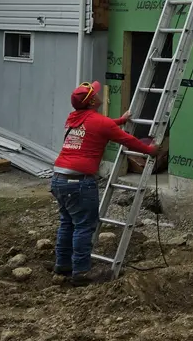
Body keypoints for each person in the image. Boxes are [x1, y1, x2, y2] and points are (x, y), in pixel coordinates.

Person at [51, 80, 159, 286]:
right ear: (92, 101)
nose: (98, 94)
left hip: (59, 179)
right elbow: (127, 140)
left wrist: (120, 120)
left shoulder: (73, 118)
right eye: (95, 93)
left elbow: (100, 125)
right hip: (79, 182)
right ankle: (81, 272)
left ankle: (62, 264)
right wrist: (150, 150)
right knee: (84, 226)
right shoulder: (100, 123)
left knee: (67, 222)